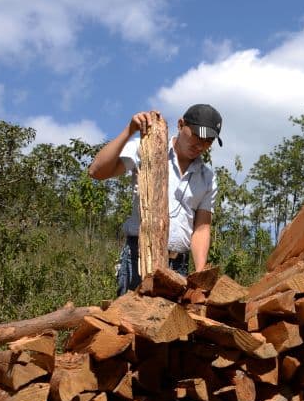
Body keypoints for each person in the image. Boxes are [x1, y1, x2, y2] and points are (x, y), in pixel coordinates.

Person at [88, 104, 222, 295]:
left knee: (172, 324)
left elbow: (202, 228)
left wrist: (199, 275)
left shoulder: (207, 177)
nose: (200, 144)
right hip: (139, 258)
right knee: (129, 322)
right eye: (196, 135)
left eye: (208, 141)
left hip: (179, 266)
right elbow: (97, 172)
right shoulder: (148, 146)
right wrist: (129, 131)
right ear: (180, 124)